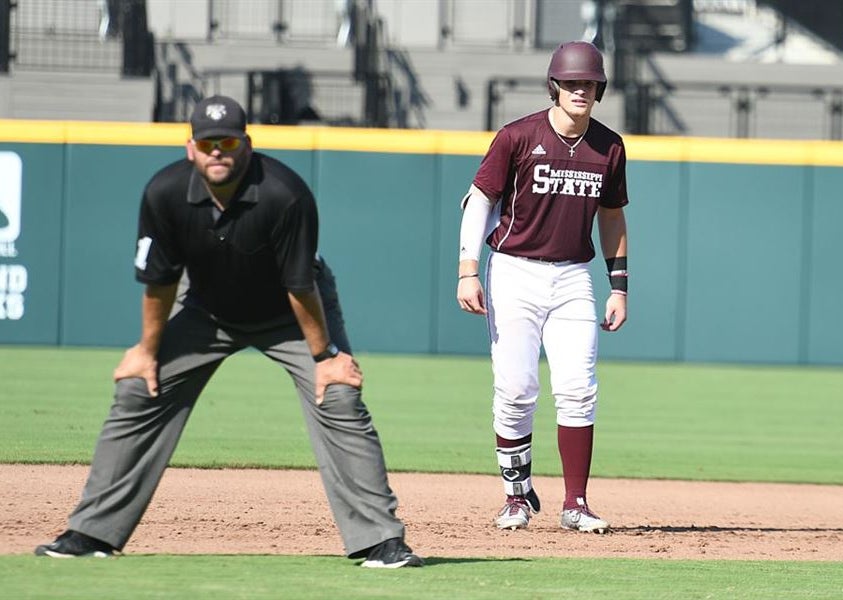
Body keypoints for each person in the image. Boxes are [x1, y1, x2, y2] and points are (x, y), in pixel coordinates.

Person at [34, 95, 423, 569]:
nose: (217, 151)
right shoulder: (165, 192)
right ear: (190, 148)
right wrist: (147, 350)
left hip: (291, 314)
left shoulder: (286, 193)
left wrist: (325, 359)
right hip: (206, 311)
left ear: (247, 145)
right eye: (207, 142)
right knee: (138, 387)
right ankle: (92, 531)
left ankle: (380, 540)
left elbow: (300, 285)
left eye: (228, 141)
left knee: (337, 394)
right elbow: (160, 281)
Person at [456, 41, 629, 533]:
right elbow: (479, 201)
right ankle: (516, 496)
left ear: (599, 89)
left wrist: (619, 286)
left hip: (574, 274)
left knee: (578, 389)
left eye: (588, 83)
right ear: (554, 86)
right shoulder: (517, 136)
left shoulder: (609, 146)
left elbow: (612, 217)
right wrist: (468, 269)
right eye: (571, 82)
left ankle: (575, 503)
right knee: (515, 388)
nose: (580, 89)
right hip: (513, 269)